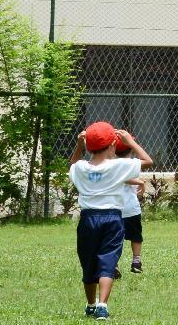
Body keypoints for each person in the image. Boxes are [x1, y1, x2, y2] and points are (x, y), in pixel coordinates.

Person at [69, 122, 153, 320]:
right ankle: (102, 305)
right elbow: (147, 161)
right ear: (113, 146)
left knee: (88, 261)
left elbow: (72, 165)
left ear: (88, 145)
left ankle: (90, 304)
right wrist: (130, 142)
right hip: (113, 219)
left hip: (88, 219)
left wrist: (79, 145)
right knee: (108, 261)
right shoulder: (119, 166)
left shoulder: (81, 168)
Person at [113, 134, 147, 275]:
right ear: (131, 149)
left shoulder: (110, 163)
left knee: (114, 239)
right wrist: (139, 182)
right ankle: (136, 261)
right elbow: (124, 177)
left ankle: (113, 264)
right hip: (131, 209)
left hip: (114, 208)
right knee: (136, 236)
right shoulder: (132, 163)